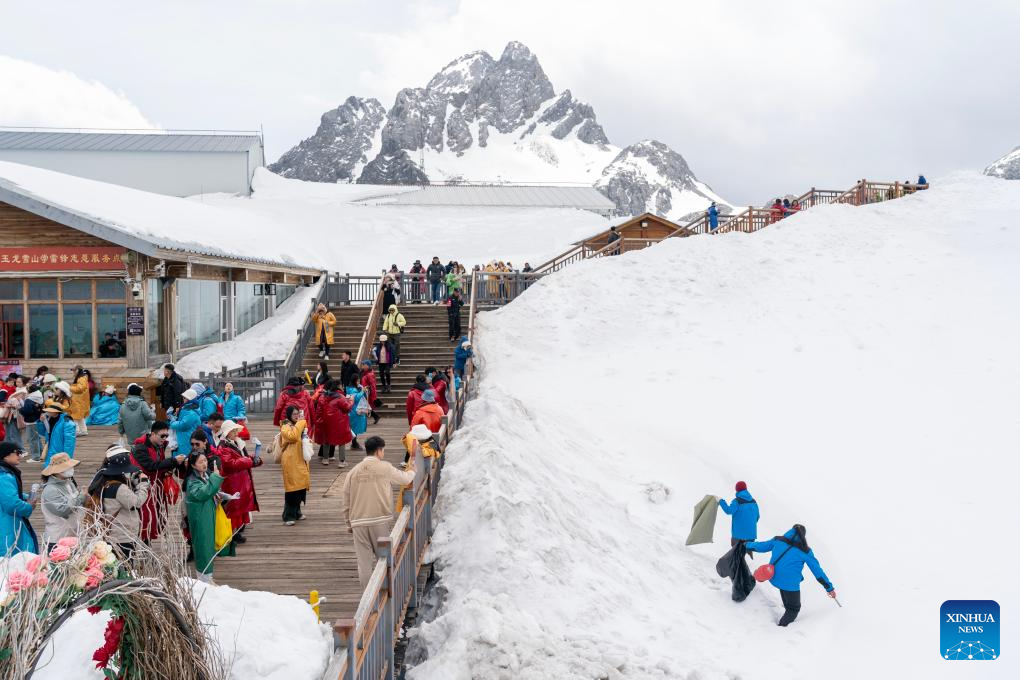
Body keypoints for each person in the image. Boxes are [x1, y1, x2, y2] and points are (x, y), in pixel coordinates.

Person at [341, 436, 415, 587]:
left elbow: (346, 501)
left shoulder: (353, 472)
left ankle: (368, 601)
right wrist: (413, 469)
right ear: (379, 451)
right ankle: (389, 592)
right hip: (379, 519)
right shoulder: (385, 467)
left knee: (364, 564)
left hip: (358, 522)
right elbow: (405, 479)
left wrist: (349, 523)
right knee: (385, 559)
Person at [745, 524, 836, 626]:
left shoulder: (778, 540)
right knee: (793, 609)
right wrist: (829, 587)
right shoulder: (805, 551)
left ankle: (786, 610)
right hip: (789, 583)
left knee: (786, 593)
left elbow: (761, 546)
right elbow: (817, 571)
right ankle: (782, 629)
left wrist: (746, 545)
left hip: (774, 577)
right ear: (803, 536)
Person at [87, 444, 150, 560]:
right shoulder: (118, 488)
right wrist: (143, 483)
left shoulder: (101, 480)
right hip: (122, 536)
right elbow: (137, 502)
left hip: (109, 533)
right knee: (125, 568)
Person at [132, 421, 185, 542]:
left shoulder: (158, 445)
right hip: (142, 487)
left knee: (156, 515)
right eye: (162, 436)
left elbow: (159, 465)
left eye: (167, 436)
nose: (165, 438)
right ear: (153, 434)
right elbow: (151, 466)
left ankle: (147, 543)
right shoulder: (140, 448)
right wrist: (174, 461)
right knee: (145, 517)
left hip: (155, 486)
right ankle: (144, 544)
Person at [184, 449, 225, 583]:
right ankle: (204, 579)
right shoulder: (192, 481)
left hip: (207, 514)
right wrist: (216, 477)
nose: (204, 463)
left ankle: (208, 576)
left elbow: (210, 491)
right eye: (200, 461)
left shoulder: (205, 475)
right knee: (203, 545)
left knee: (209, 545)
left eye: (205, 460)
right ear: (193, 465)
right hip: (201, 518)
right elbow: (203, 493)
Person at [216, 419, 261, 541]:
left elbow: (242, 459)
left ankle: (236, 533)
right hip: (232, 481)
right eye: (234, 431)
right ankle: (233, 534)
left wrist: (255, 459)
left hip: (238, 480)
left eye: (236, 430)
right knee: (234, 508)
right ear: (227, 432)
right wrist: (249, 460)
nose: (236, 433)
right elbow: (230, 464)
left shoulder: (234, 443)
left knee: (239, 507)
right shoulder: (223, 446)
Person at [0, 441, 39, 555]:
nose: (20, 456)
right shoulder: (4, 476)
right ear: (6, 455)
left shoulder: (5, 473)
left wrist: (24, 497)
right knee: (13, 560)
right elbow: (12, 504)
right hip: (7, 526)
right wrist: (29, 506)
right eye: (17, 453)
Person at [40, 452, 84, 551]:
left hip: (72, 536)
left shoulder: (68, 483)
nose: (71, 469)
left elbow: (76, 502)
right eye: (68, 467)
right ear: (57, 471)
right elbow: (62, 510)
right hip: (57, 540)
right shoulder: (50, 489)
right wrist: (81, 497)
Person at [279, 405, 311, 525]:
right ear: (288, 415)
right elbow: (292, 437)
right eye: (294, 414)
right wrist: (301, 422)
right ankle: (288, 515)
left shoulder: (299, 425)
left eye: (298, 414)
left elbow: (304, 436)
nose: (297, 416)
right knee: (292, 488)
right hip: (291, 460)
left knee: (301, 486)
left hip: (300, 459)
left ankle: (297, 511)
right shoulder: (285, 426)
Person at [314, 379, 353, 466]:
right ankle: (341, 461)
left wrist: (318, 421)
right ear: (338, 386)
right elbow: (347, 408)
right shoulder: (340, 397)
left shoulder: (322, 396)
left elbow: (319, 411)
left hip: (325, 421)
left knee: (326, 439)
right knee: (341, 441)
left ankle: (325, 459)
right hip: (339, 422)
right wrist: (351, 401)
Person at [718, 481, 759, 547]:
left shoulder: (737, 501)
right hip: (751, 535)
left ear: (736, 489)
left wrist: (721, 501)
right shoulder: (753, 502)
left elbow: (728, 511)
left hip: (738, 536)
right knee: (747, 552)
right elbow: (757, 517)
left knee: (736, 554)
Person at [37, 401, 77, 466]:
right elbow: (42, 433)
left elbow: (69, 441)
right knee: (50, 468)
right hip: (51, 449)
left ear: (56, 412)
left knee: (58, 467)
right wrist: (41, 422)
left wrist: (67, 456)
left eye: (50, 411)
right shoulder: (49, 419)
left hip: (60, 449)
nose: (47, 412)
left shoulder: (67, 422)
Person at [169, 389, 202, 457]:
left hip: (186, 439)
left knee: (185, 458)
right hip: (184, 437)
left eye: (184, 397)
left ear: (189, 399)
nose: (183, 399)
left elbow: (183, 425)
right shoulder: (188, 408)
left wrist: (172, 421)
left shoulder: (191, 412)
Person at [19, 389, 45, 461]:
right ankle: (41, 454)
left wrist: (20, 409)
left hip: (31, 422)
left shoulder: (29, 399)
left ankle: (35, 457)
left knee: (33, 440)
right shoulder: (39, 397)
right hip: (37, 420)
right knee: (37, 439)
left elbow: (27, 411)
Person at [67, 366, 91, 435]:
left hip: (78, 400)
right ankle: (83, 430)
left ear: (78, 370)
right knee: (79, 416)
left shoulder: (81, 378)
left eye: (74, 370)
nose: (73, 372)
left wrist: (70, 387)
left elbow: (80, 389)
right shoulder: (82, 378)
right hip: (80, 400)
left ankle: (77, 431)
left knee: (75, 416)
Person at [2, 382, 27, 448]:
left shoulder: (22, 395)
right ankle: (11, 449)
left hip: (14, 417)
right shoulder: (15, 396)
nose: (16, 383)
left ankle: (19, 449)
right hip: (12, 417)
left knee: (14, 434)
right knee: (11, 434)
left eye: (19, 382)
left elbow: (21, 407)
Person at [346, 382, 369, 448]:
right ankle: (354, 443)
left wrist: (363, 390)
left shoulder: (352, 388)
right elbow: (356, 398)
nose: (359, 382)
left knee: (354, 427)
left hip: (355, 409)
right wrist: (362, 391)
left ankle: (354, 442)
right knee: (354, 427)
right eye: (358, 380)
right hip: (355, 410)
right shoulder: (352, 390)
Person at [360, 360, 381, 425]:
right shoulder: (364, 373)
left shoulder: (370, 374)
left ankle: (373, 417)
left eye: (363, 364)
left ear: (367, 365)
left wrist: (373, 395)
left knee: (365, 406)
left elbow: (373, 386)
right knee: (365, 406)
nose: (362, 366)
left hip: (368, 393)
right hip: (364, 391)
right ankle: (376, 416)